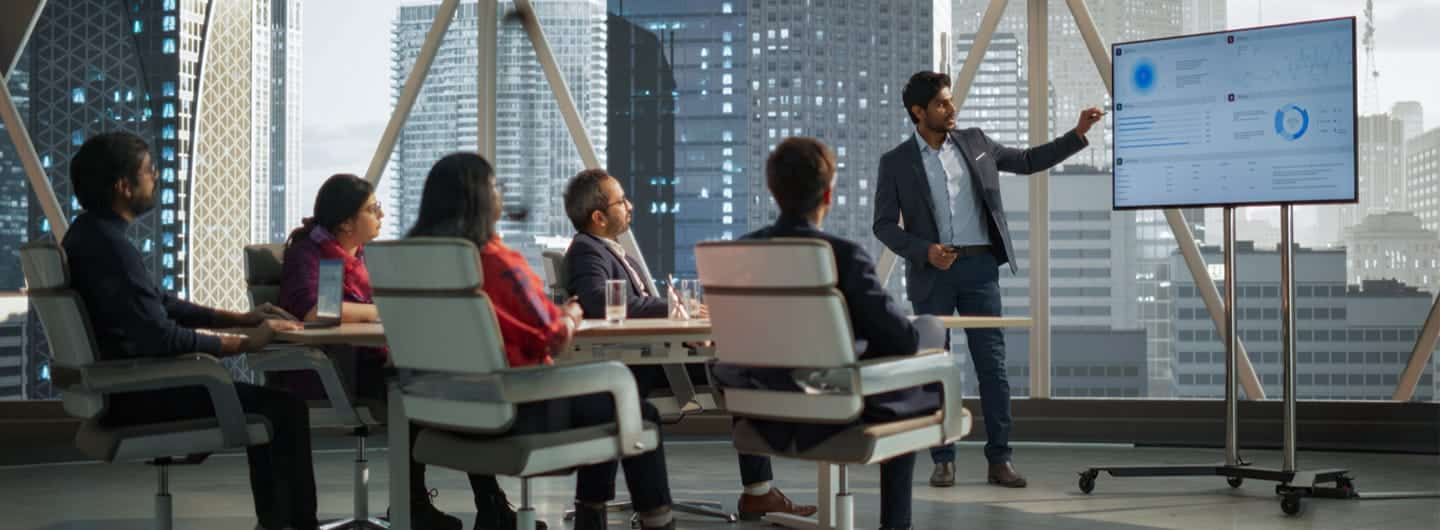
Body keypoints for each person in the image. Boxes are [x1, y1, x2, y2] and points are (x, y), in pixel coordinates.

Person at [407, 152, 677, 530]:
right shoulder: (496, 262)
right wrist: (571, 315)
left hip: (437, 413)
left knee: (612, 399)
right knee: (633, 406)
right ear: (479, 199)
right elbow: (551, 338)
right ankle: (658, 523)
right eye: (495, 186)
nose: (501, 193)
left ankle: (592, 517)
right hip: (518, 410)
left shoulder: (413, 266)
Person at [61, 132, 312, 530]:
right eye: (149, 171)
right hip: (140, 393)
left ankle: (275, 524)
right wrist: (246, 343)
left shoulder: (89, 236)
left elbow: (162, 304)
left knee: (271, 404)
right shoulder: (111, 249)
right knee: (285, 409)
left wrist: (240, 318)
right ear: (123, 186)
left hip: (123, 386)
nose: (156, 178)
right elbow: (161, 337)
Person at [872, 71, 1104, 488]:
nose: (951, 108)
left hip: (980, 271)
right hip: (932, 275)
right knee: (934, 369)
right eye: (942, 103)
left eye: (950, 100)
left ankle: (1000, 459)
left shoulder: (976, 142)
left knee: (992, 368)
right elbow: (884, 225)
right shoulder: (895, 163)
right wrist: (925, 250)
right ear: (918, 112)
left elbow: (1029, 161)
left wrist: (1077, 133)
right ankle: (943, 459)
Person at [714, 137, 948, 530]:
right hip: (839, 410)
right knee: (925, 334)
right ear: (827, 193)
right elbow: (901, 341)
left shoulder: (742, 252)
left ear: (774, 190)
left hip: (761, 410)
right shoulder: (841, 254)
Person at [562, 169, 818, 520]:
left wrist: (681, 312)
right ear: (598, 216)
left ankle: (759, 489)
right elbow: (598, 301)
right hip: (643, 365)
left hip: (648, 358)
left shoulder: (610, 252)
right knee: (741, 368)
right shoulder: (588, 252)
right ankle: (759, 490)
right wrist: (674, 306)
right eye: (621, 200)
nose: (629, 205)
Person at [278, 174, 471, 530]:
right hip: (334, 369)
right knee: (422, 387)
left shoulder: (364, 256)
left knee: (453, 381)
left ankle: (464, 504)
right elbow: (310, 309)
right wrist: (379, 310)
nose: (381, 214)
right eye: (372, 208)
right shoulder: (307, 252)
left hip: (371, 361)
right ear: (346, 222)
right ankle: (415, 505)